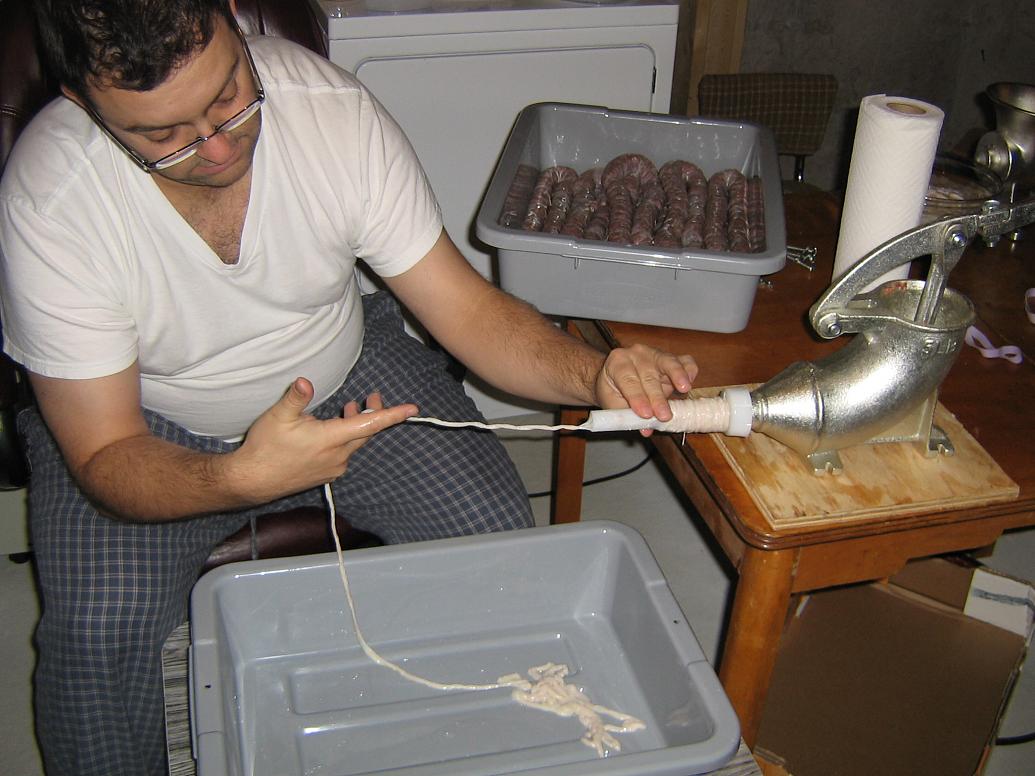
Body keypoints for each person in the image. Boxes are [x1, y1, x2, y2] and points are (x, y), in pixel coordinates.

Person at [0, 1, 699, 774]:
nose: (218, 146)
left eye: (229, 96)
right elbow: (104, 453)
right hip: (151, 424)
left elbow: (467, 310)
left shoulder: (328, 111)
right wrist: (239, 477)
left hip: (345, 372)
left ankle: (468, 741)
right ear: (82, 101)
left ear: (235, 17)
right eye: (163, 136)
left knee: (493, 541)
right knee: (96, 639)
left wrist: (592, 372)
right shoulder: (52, 199)